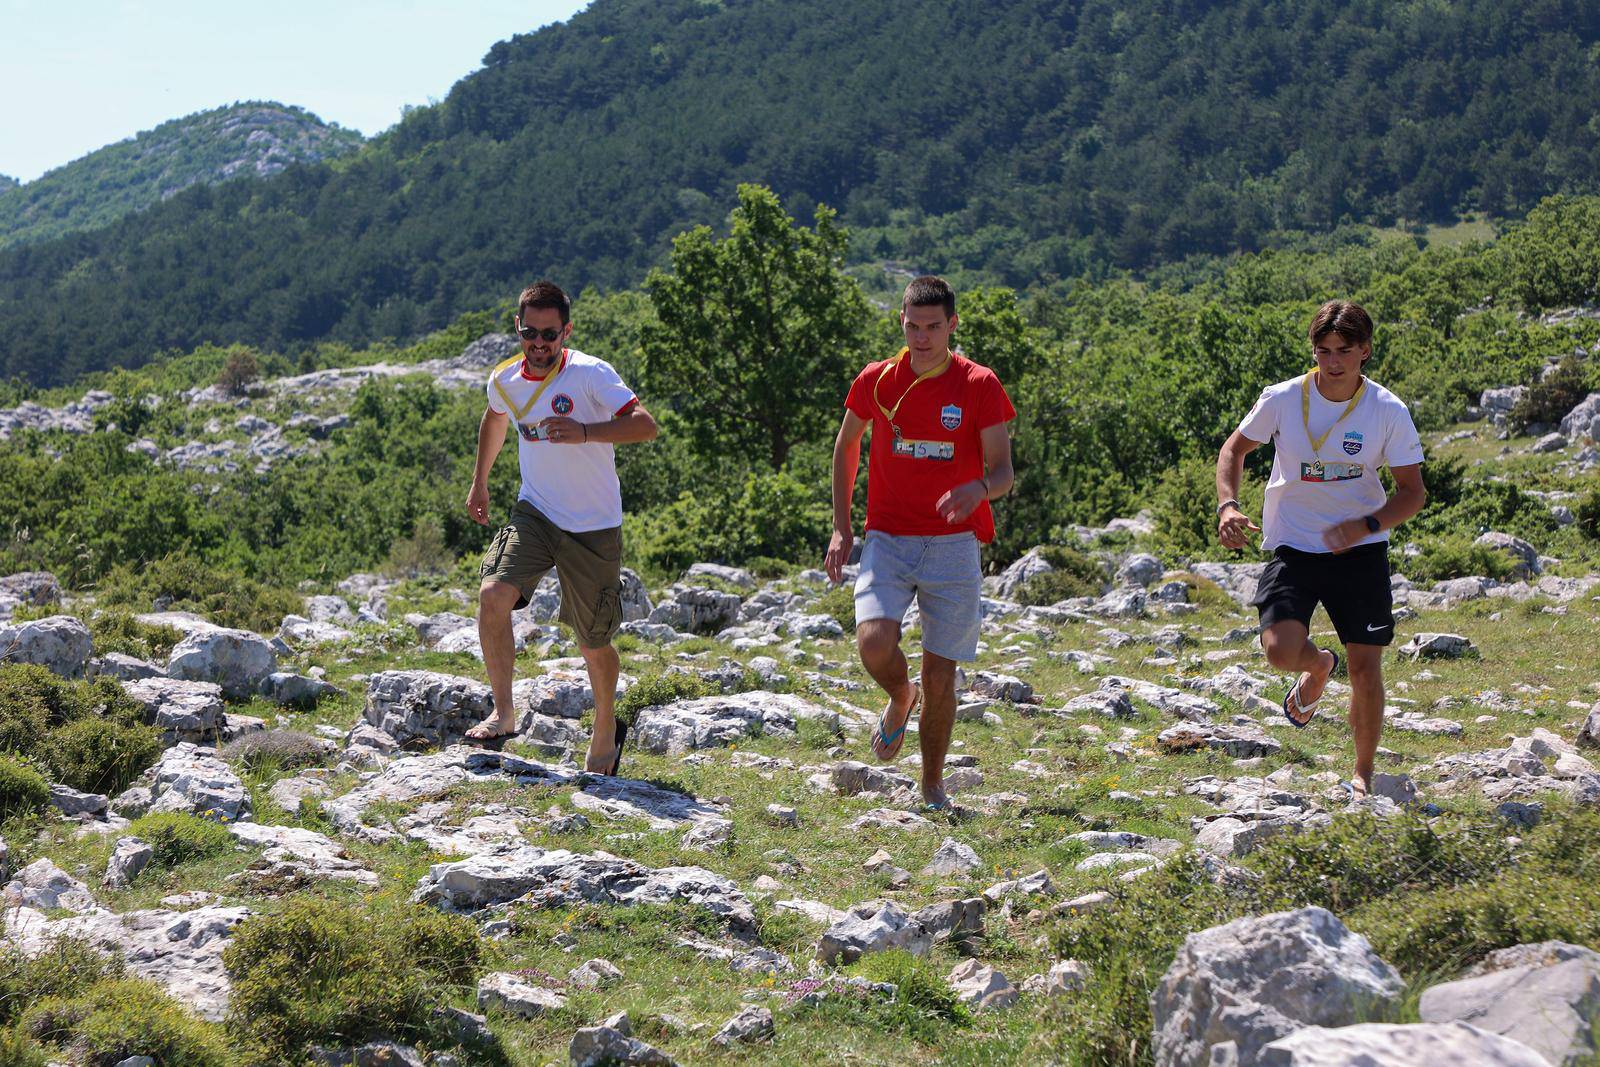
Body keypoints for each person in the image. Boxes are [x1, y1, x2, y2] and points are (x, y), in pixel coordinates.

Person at [1215, 300, 1426, 797]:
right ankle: (1316, 666)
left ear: (1365, 351)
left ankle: (1363, 776)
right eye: (1323, 350)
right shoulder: (1284, 397)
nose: (1332, 361)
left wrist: (1366, 525)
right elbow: (1233, 449)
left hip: (1361, 551)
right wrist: (1228, 506)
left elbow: (1412, 493)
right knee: (1279, 650)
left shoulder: (1387, 410)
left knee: (1366, 668)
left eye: (1344, 351)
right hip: (1295, 543)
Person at [824, 276, 1016, 810]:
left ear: (952, 326)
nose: (922, 337)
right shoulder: (877, 380)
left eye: (934, 327)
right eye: (913, 326)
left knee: (941, 674)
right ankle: (899, 696)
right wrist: (842, 527)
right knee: (874, 644)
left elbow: (1003, 473)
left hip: (954, 544)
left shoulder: (979, 385)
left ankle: (931, 785)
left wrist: (978, 488)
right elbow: (846, 450)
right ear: (901, 323)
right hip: (887, 535)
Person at [464, 281, 658, 774]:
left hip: (592, 526)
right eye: (530, 332)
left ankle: (606, 728)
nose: (539, 343)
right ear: (518, 329)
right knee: (493, 596)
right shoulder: (505, 379)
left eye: (549, 334)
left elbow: (645, 425)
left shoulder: (592, 374)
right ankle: (504, 714)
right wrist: (480, 482)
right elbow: (495, 419)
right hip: (535, 512)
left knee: (593, 641)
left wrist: (586, 433)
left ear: (565, 331)